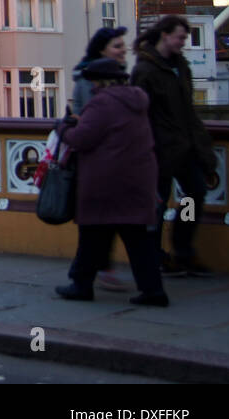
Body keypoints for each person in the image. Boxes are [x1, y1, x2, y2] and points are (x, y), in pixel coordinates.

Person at [55, 58, 168, 306]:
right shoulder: (137, 99)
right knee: (138, 240)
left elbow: (82, 139)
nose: (91, 86)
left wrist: (63, 128)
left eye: (93, 81)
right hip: (138, 179)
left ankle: (81, 285)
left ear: (100, 81)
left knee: (93, 235)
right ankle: (153, 290)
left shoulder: (103, 102)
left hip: (107, 181)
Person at [132, 14, 217, 276]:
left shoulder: (180, 67)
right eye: (180, 37)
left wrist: (201, 147)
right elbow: (139, 114)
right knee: (157, 206)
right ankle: (157, 257)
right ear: (165, 35)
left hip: (184, 148)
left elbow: (188, 111)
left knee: (194, 194)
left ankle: (182, 249)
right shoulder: (145, 70)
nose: (183, 42)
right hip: (157, 151)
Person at [68, 26, 131, 290]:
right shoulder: (88, 79)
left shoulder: (119, 79)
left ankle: (86, 275)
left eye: (123, 46)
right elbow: (83, 119)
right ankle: (90, 273)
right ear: (102, 50)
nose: (123, 50)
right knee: (98, 221)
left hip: (116, 160)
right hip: (98, 161)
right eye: (117, 46)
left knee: (106, 220)